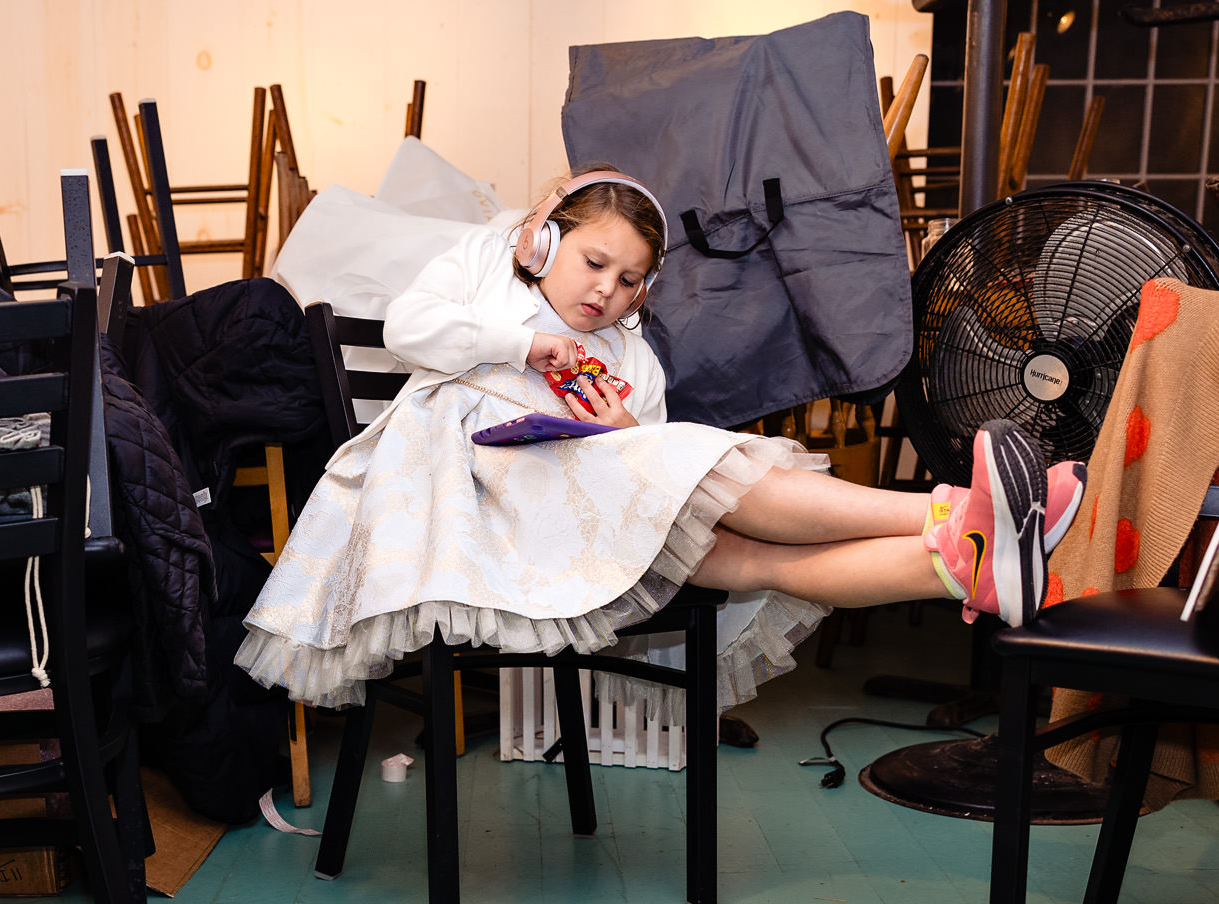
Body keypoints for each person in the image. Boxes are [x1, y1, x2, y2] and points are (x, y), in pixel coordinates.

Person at [237, 167, 1084, 711]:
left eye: (630, 279)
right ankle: (960, 510)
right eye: (593, 262)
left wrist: (619, 426)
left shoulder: (630, 355)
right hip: (473, 494)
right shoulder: (484, 265)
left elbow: (639, 452)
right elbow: (411, 327)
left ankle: (956, 558)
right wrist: (525, 346)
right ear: (545, 241)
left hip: (581, 509)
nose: (607, 290)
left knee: (736, 544)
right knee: (715, 477)